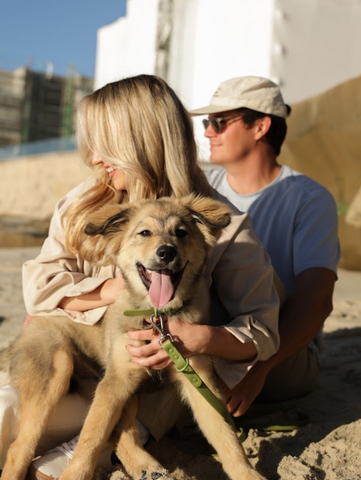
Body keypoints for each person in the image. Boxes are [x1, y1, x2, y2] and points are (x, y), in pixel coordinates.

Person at [0, 75, 280, 479]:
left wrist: (202, 337)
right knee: (12, 414)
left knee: (52, 453)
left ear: (143, 141)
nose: (94, 158)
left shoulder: (224, 224)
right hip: (79, 355)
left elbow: (265, 331)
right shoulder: (82, 206)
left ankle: (103, 452)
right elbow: (40, 286)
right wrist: (111, 290)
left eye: (104, 144)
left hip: (155, 387)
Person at [190, 75, 340, 417]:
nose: (208, 131)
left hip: (280, 358)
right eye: (206, 122)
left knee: (248, 266)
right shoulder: (200, 189)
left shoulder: (308, 198)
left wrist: (259, 371)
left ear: (260, 126)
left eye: (219, 121)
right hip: (214, 338)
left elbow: (316, 300)